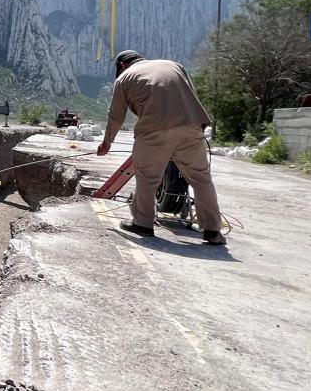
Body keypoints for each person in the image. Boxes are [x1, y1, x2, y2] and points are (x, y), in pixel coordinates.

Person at [97, 50, 226, 245]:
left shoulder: (124, 77)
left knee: (148, 178)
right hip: (191, 127)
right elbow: (191, 95)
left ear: (122, 65)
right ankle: (213, 230)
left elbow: (116, 115)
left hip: (154, 131)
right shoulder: (174, 65)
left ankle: (142, 223)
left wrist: (107, 142)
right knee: (201, 178)